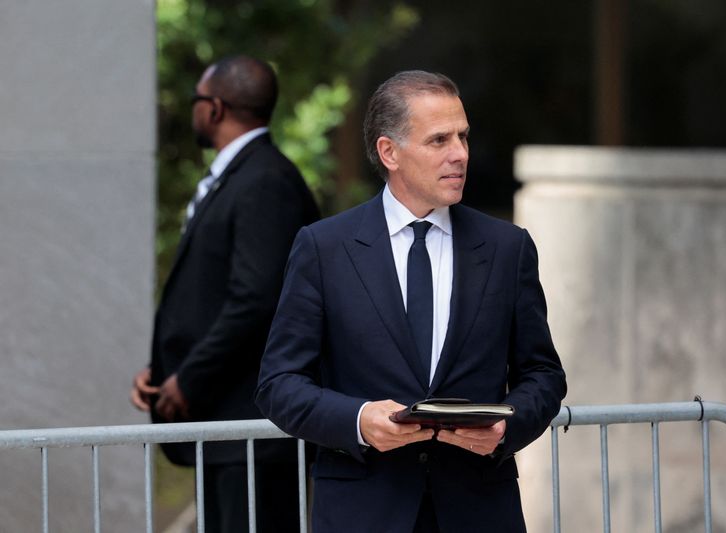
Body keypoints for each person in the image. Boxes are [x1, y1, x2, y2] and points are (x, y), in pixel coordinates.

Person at [255, 70, 567, 533]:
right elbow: (278, 383)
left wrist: (507, 428)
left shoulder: (507, 248)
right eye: (439, 140)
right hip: (362, 512)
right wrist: (359, 421)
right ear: (389, 152)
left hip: (479, 511)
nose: (460, 154)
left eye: (463, 136)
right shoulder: (324, 248)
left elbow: (543, 374)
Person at [130, 55, 319, 532]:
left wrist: (189, 378)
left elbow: (256, 298)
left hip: (252, 431)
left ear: (214, 108)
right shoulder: (241, 177)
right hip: (225, 430)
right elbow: (213, 295)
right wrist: (166, 371)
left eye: (196, 100)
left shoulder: (266, 181)